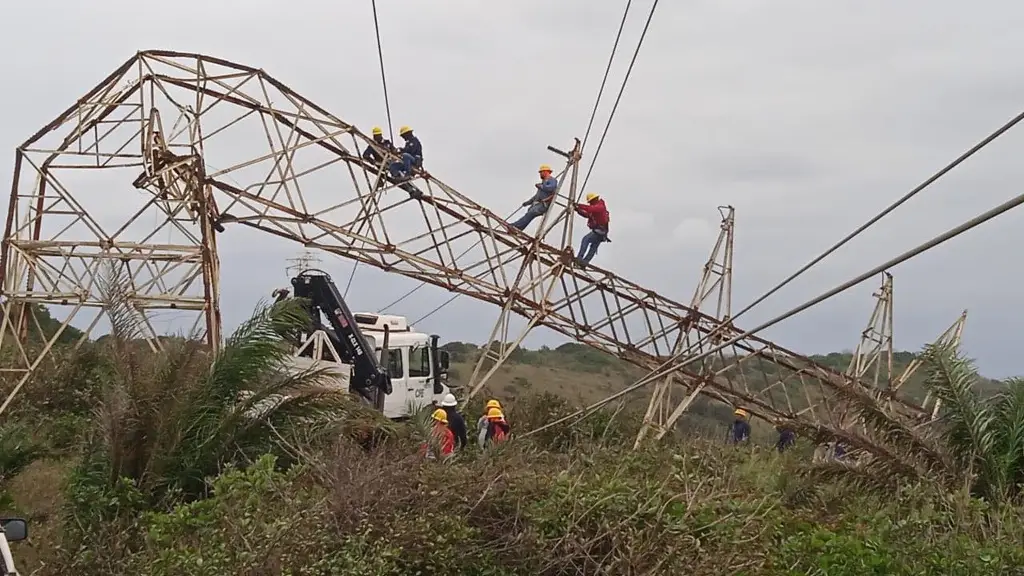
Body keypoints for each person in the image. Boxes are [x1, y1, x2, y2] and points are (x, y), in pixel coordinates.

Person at [510, 164, 558, 230]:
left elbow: (551, 188)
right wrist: (527, 203)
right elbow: (537, 196)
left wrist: (541, 186)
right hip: (539, 204)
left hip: (544, 204)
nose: (540, 174)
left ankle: (516, 226)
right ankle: (518, 228)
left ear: (545, 172)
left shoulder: (552, 180)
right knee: (529, 213)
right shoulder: (543, 182)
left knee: (532, 212)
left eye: (541, 172)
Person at [574, 192, 610, 266]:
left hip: (600, 231)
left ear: (594, 200)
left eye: (591, 202)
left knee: (586, 240)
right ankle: (584, 262)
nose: (590, 203)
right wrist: (578, 210)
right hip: (602, 232)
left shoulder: (600, 207)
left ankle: (580, 259)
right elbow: (588, 214)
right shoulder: (597, 208)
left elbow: (590, 209)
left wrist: (579, 205)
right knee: (593, 246)